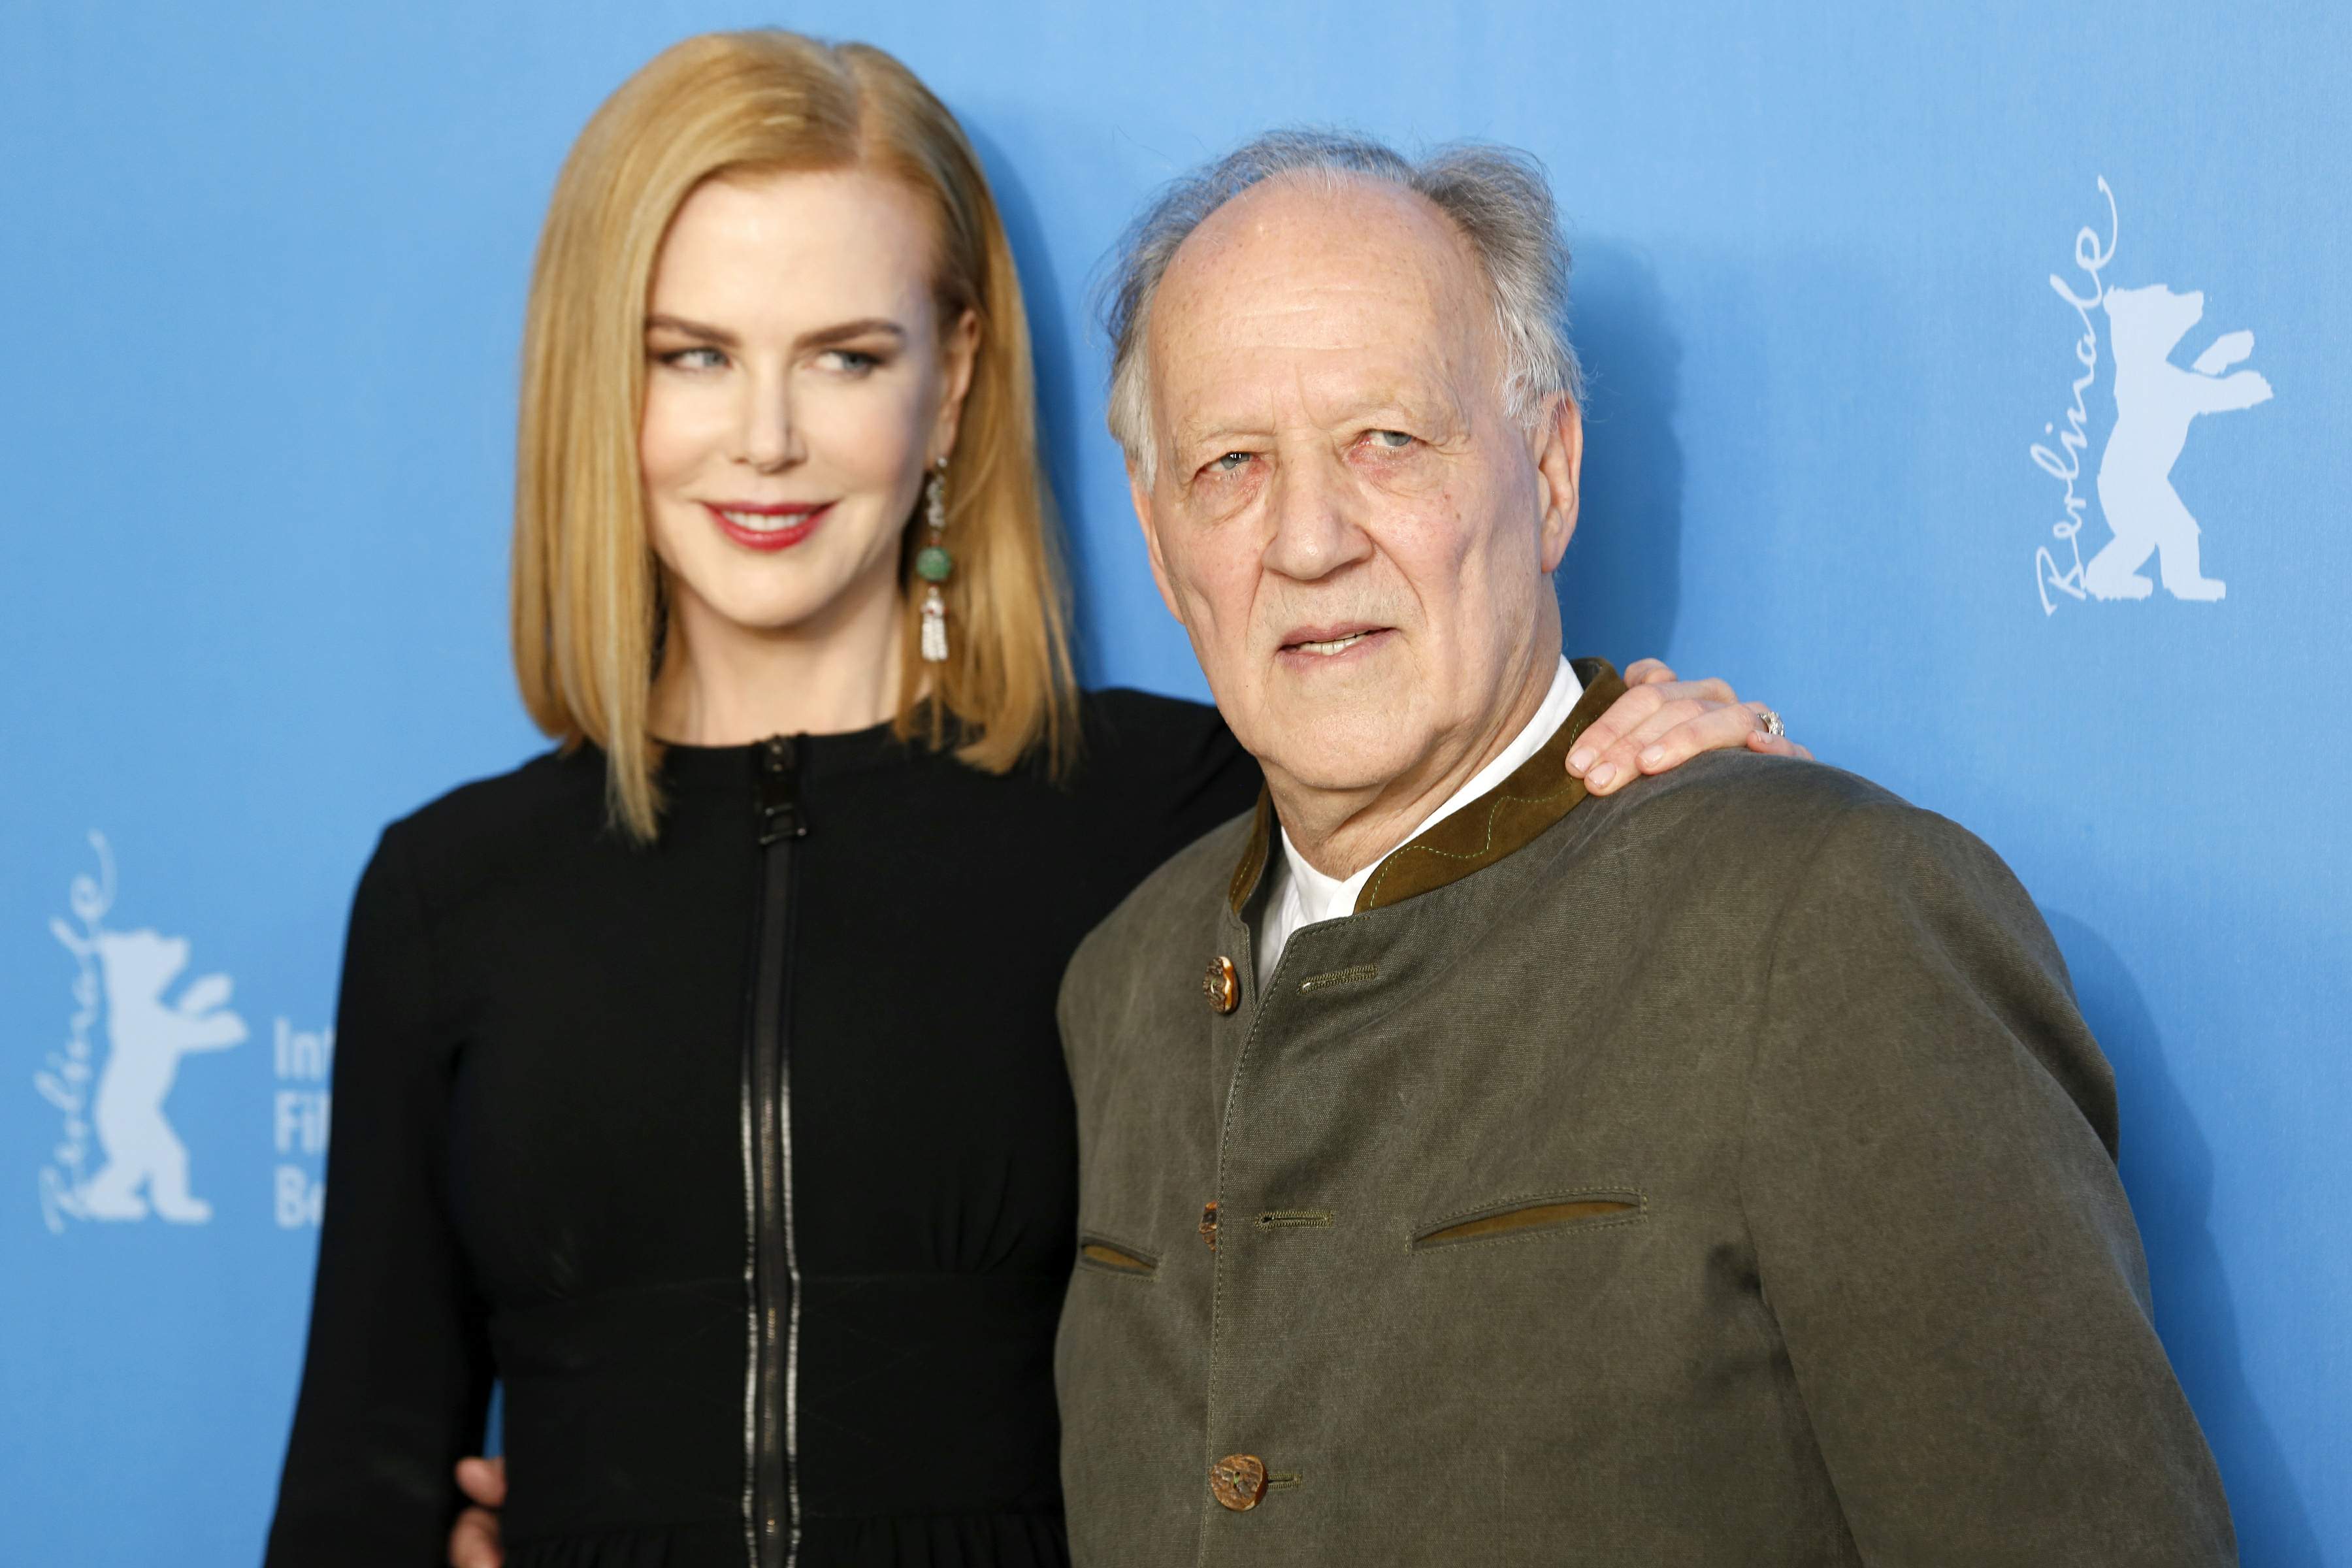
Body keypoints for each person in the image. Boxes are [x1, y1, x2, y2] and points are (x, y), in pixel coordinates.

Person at [261, 32, 1799, 1568]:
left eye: (847, 357)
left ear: (951, 384)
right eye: (695, 355)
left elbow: (1494, 866)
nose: (768, 437)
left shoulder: (1192, 806)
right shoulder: (448, 896)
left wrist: (1642, 763)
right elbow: (355, 1492)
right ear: (602, 382)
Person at [1053, 129, 2237, 1564]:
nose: (1309, 540)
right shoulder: (1123, 982)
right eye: (1232, 463)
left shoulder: (1827, 921)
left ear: (1550, 473)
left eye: (1388, 441)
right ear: (1161, 538)